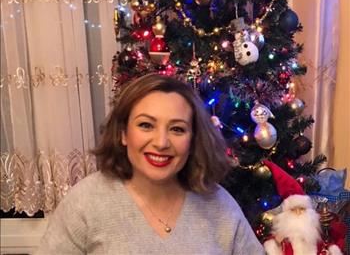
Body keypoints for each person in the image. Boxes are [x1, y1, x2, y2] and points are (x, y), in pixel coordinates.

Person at [36, 73, 265, 255]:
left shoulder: (219, 204)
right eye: (146, 125)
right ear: (123, 133)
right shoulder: (86, 202)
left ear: (193, 139)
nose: (161, 142)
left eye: (177, 129)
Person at [263, 160, 345, 255]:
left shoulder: (315, 235)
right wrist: (276, 243)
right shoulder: (282, 240)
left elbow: (331, 244)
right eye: (293, 210)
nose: (298, 213)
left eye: (302, 209)